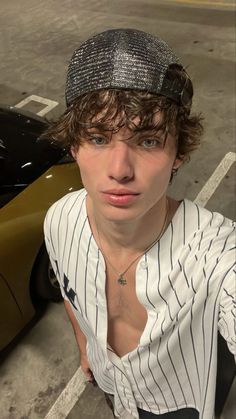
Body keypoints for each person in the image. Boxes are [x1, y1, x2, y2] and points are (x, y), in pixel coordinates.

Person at [43, 29, 235, 419]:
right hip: (111, 387)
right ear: (73, 146)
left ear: (178, 153)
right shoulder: (58, 220)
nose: (119, 171)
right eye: (98, 138)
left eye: (147, 141)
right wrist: (85, 350)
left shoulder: (218, 257)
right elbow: (69, 291)